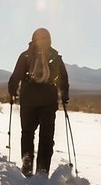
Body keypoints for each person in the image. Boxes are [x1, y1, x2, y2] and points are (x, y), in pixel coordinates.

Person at [8, 27, 70, 176]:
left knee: (27, 134)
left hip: (28, 101)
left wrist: (12, 93)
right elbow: (63, 79)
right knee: (46, 137)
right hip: (48, 101)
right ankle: (42, 170)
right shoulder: (55, 57)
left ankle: (27, 165)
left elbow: (15, 76)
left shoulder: (25, 56)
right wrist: (64, 96)